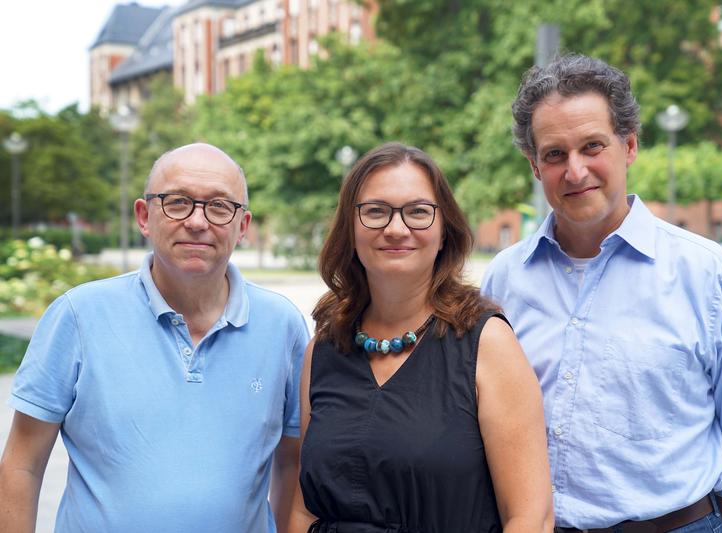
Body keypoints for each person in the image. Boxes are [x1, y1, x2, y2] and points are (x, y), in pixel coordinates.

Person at [481, 53, 722, 532]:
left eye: (592, 146)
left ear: (628, 146)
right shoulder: (504, 280)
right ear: (533, 165)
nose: (575, 170)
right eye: (554, 154)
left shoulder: (709, 276)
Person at [0, 143, 308, 532]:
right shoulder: (78, 316)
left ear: (242, 226)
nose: (198, 221)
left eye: (218, 206)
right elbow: (22, 463)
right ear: (145, 216)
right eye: (178, 202)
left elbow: (292, 464)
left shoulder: (282, 327)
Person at [287, 142, 553, 533]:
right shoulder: (324, 348)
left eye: (417, 212)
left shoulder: (487, 344)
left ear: (445, 231)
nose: (396, 229)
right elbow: (304, 509)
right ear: (351, 228)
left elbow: (531, 518)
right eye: (375, 211)